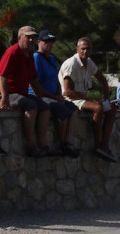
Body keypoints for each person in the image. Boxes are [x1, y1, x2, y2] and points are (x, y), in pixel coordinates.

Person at [0, 26, 61, 157]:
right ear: (19, 38)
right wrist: (5, 99)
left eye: (34, 37)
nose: (32, 40)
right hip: (2, 94)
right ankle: (30, 146)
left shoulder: (30, 56)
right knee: (30, 105)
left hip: (18, 94)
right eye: (28, 37)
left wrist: (43, 97)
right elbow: (1, 77)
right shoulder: (12, 52)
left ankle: (42, 145)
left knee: (44, 107)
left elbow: (34, 81)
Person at [59, 37, 118, 163]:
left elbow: (102, 79)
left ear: (91, 50)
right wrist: (89, 98)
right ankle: (97, 145)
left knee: (111, 108)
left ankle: (105, 145)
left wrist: (106, 97)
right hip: (71, 100)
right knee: (98, 108)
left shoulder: (89, 62)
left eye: (88, 49)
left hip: (81, 98)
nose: (85, 51)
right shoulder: (71, 64)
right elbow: (67, 92)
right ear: (77, 50)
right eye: (83, 49)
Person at [32, 30, 80, 158]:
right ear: (39, 42)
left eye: (51, 41)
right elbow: (36, 83)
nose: (50, 44)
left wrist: (59, 95)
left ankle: (68, 142)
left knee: (73, 109)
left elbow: (56, 79)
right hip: (42, 97)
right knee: (62, 111)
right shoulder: (36, 58)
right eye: (46, 41)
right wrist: (54, 97)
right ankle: (62, 144)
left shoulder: (52, 59)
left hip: (54, 96)